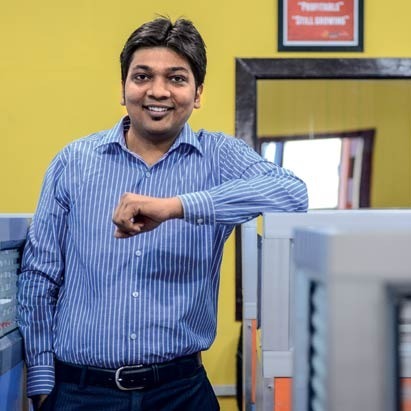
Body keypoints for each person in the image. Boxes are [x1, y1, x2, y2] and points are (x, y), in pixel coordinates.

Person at [17, 16, 308, 411]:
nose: (158, 91)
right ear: (123, 88)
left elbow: (292, 194)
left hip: (182, 393)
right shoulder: (73, 162)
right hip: (81, 393)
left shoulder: (219, 156)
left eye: (176, 78)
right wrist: (41, 383)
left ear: (197, 93)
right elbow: (39, 276)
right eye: (142, 77)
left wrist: (177, 206)